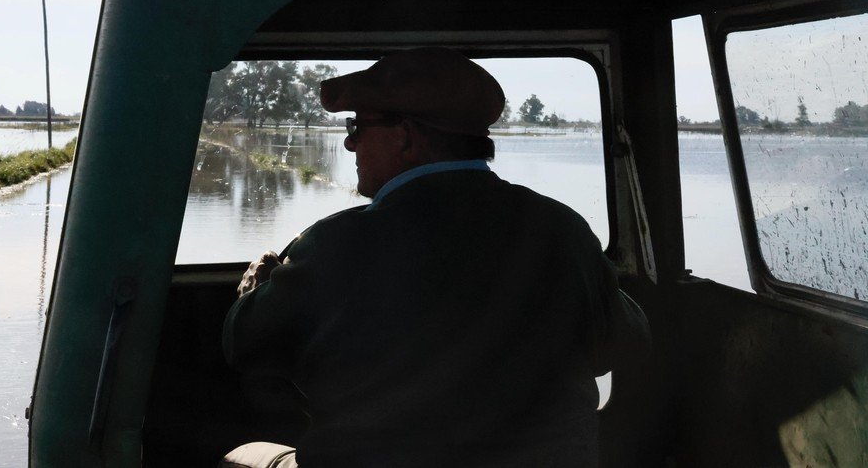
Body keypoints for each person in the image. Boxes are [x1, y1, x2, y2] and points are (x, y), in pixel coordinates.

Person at [221, 47, 649, 468]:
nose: (350, 144)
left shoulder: (334, 244)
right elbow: (626, 346)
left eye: (357, 127)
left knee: (238, 457)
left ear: (405, 136)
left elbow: (247, 347)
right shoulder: (563, 230)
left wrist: (251, 294)